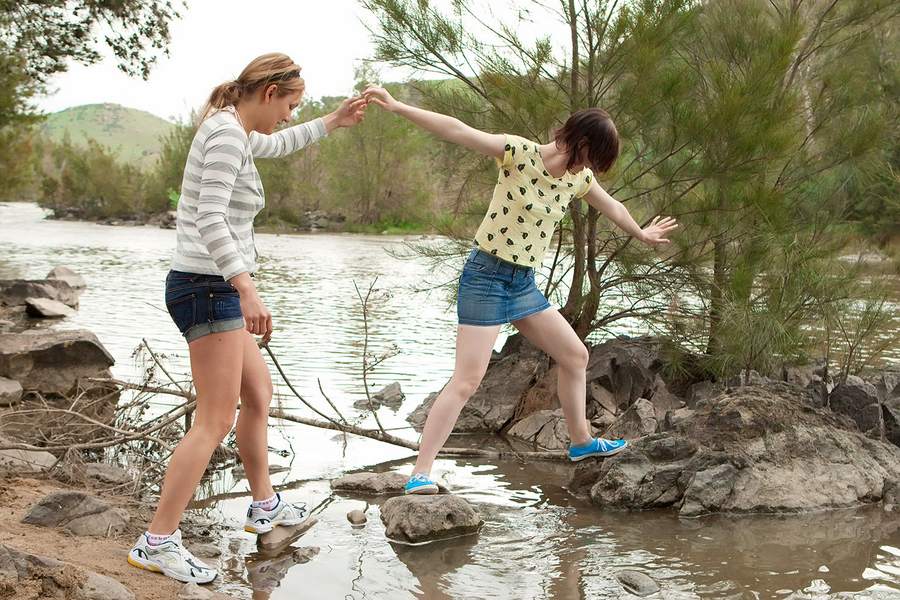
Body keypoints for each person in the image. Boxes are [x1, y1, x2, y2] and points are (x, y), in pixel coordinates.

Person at [362, 86, 678, 495]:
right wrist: (397, 106)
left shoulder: (578, 179)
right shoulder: (518, 153)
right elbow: (457, 130)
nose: (592, 171)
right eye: (592, 159)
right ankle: (420, 473)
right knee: (467, 380)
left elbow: (613, 206)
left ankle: (581, 442)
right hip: (486, 276)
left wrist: (641, 232)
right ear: (579, 143)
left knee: (575, 355)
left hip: (522, 283)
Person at [127, 53, 366, 584]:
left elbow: (278, 143)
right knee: (214, 419)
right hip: (207, 289)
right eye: (289, 105)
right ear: (269, 91)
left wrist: (333, 121)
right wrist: (246, 288)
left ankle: (265, 507)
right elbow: (209, 217)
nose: (287, 116)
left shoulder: (234, 128)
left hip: (215, 289)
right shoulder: (225, 134)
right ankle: (157, 541)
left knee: (258, 396)